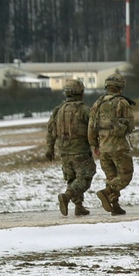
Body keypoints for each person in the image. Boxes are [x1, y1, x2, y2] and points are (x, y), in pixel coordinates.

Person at [45, 80, 95, 216]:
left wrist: (50, 149)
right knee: (85, 177)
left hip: (64, 152)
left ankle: (78, 206)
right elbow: (93, 129)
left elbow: (51, 131)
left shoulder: (58, 110)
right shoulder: (85, 110)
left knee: (72, 178)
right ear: (81, 92)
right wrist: (96, 145)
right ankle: (66, 197)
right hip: (80, 151)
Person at [88, 72, 135, 216]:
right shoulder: (122, 102)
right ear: (121, 87)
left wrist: (94, 145)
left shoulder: (98, 103)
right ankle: (107, 192)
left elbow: (91, 126)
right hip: (119, 147)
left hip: (103, 147)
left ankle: (115, 206)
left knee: (111, 177)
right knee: (125, 175)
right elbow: (131, 125)